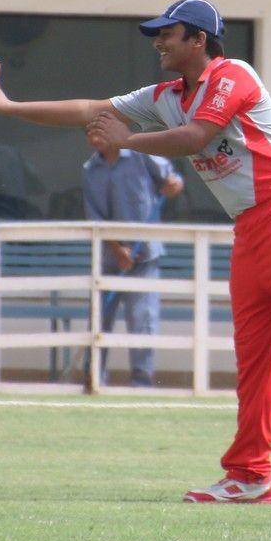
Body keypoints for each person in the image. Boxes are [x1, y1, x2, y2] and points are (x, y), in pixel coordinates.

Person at [0, 0, 271, 503]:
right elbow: (91, 109)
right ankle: (250, 474)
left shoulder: (232, 74)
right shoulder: (166, 95)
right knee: (255, 357)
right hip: (251, 225)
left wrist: (127, 141)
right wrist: (8, 106)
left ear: (199, 40)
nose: (158, 42)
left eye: (167, 34)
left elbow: (197, 136)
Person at [83, 145, 184, 387]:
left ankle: (142, 382)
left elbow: (173, 181)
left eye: (100, 130)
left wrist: (173, 185)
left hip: (145, 254)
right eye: (90, 132)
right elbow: (94, 216)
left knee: (142, 320)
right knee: (99, 319)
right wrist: (118, 249)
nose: (96, 137)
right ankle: (93, 378)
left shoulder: (143, 155)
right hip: (109, 256)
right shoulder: (90, 169)